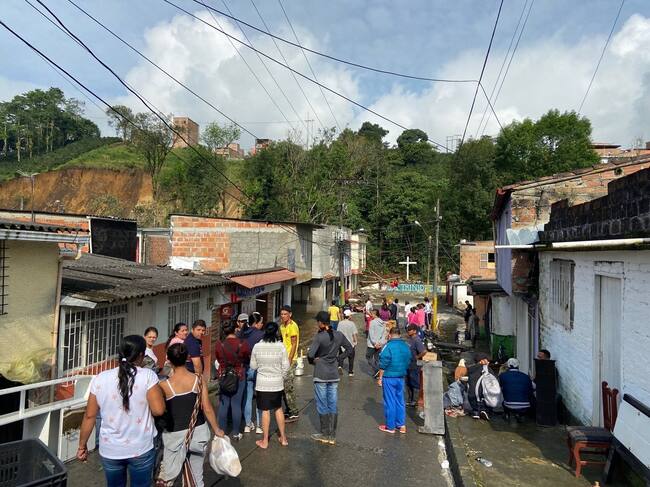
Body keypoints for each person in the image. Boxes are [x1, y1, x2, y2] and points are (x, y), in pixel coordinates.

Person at [77, 335, 165, 487]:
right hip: (141, 447)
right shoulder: (148, 376)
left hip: (110, 449)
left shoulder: (100, 378)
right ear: (141, 355)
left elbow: (90, 416)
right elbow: (158, 411)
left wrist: (82, 446)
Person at [157, 344, 224, 486]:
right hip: (197, 431)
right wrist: (217, 429)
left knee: (168, 477)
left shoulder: (164, 386)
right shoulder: (198, 380)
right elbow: (207, 408)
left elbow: (159, 411)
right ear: (187, 357)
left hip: (174, 435)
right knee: (196, 477)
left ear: (168, 360)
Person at [307, 311, 353, 445]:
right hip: (333, 374)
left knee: (322, 404)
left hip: (321, 373)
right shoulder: (339, 335)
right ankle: (332, 435)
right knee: (332, 403)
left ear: (321, 323)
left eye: (318, 322)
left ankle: (324, 433)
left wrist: (315, 361)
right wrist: (338, 359)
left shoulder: (319, 337)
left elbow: (310, 354)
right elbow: (350, 349)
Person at [249, 322, 290, 449]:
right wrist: (281, 376)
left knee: (265, 411)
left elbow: (253, 366)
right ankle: (283, 438)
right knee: (278, 409)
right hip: (277, 383)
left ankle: (265, 440)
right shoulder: (281, 346)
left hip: (262, 384)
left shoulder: (257, 346)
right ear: (276, 332)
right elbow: (286, 366)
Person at [214, 321, 251, 440]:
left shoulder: (219, 344)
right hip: (239, 375)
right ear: (235, 329)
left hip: (224, 375)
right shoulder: (243, 343)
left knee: (224, 404)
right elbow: (247, 357)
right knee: (236, 404)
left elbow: (218, 358)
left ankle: (221, 432)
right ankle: (236, 432)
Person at [377, 327, 412, 434]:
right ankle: (401, 425)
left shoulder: (388, 346)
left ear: (390, 335)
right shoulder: (406, 346)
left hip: (389, 376)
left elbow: (383, 362)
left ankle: (390, 426)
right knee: (400, 400)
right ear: (400, 335)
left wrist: (380, 377)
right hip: (400, 376)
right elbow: (409, 359)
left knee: (390, 401)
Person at [239, 312, 265, 434]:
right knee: (260, 397)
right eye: (261, 323)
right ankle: (259, 426)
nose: (262, 325)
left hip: (246, 368)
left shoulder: (242, 333)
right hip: (258, 369)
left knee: (247, 397)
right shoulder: (261, 335)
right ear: (256, 323)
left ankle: (247, 425)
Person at [279, 305, 300, 422]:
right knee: (283, 387)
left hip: (291, 360)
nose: (283, 316)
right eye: (282, 314)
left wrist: (290, 360)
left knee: (288, 387)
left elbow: (294, 344)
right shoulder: (282, 326)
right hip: (283, 360)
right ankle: (288, 409)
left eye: (285, 314)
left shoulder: (293, 326)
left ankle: (294, 411)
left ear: (290, 314)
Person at [499, 358, 534, 422]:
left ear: (508, 366)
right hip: (525, 405)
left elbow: (500, 388)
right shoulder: (526, 376)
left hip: (509, 404)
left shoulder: (503, 376)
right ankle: (519, 415)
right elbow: (533, 388)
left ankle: (507, 415)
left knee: (504, 401)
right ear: (518, 365)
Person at [467, 352, 493, 421]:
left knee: (473, 389)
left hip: (472, 398)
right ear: (482, 361)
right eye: (487, 360)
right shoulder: (487, 370)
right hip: (482, 398)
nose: (488, 362)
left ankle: (476, 411)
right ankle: (484, 410)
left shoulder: (471, 369)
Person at [405, 324, 426, 407]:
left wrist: (417, 357)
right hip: (408, 364)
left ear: (414, 331)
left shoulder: (417, 340)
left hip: (414, 365)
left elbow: (424, 351)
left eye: (410, 330)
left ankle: (415, 400)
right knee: (408, 382)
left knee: (414, 382)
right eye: (408, 329)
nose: (408, 331)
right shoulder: (410, 339)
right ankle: (410, 399)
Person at [337, 309, 358, 376]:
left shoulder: (340, 323)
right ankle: (350, 372)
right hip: (350, 343)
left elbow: (338, 333)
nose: (351, 316)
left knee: (341, 355)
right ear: (349, 316)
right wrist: (355, 342)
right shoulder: (352, 323)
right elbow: (354, 334)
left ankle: (340, 366)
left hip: (342, 343)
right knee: (351, 358)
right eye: (351, 315)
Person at [366, 309, 387, 377]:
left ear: (374, 314)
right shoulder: (383, 323)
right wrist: (380, 343)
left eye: (372, 314)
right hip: (379, 344)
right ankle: (378, 374)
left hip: (372, 344)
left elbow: (371, 334)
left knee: (368, 357)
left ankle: (376, 369)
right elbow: (384, 334)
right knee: (377, 359)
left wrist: (375, 343)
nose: (371, 315)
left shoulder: (372, 322)